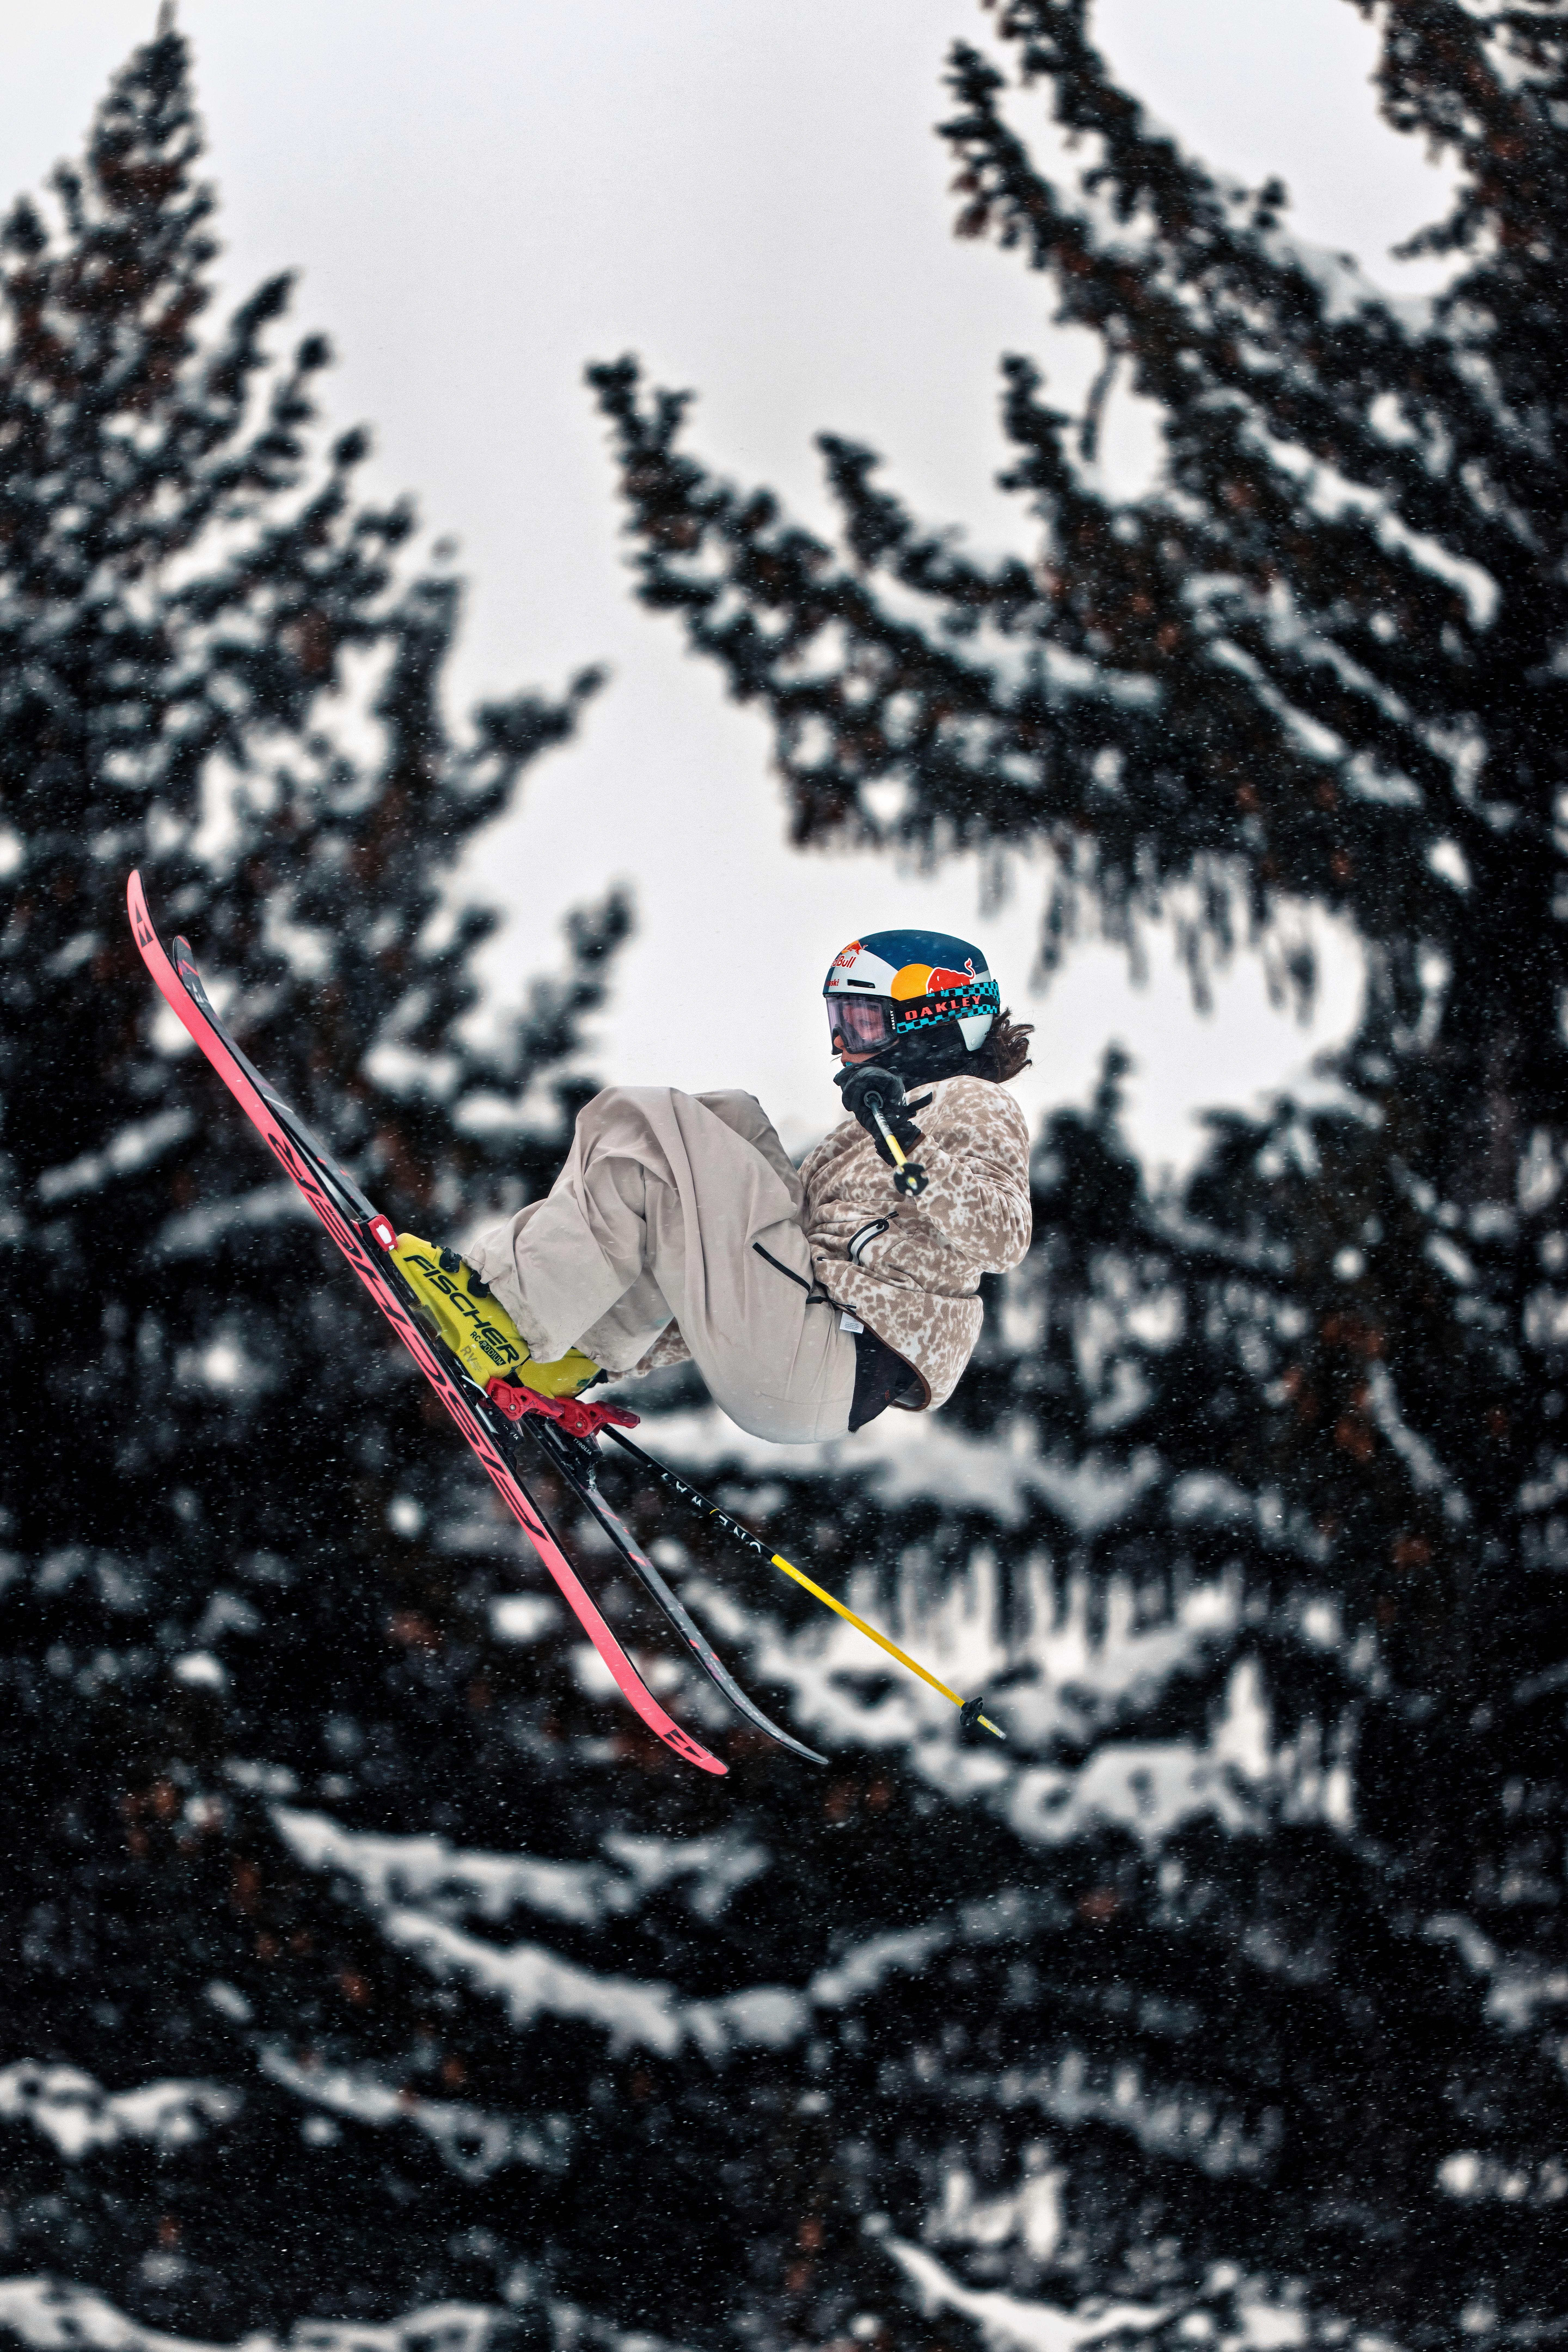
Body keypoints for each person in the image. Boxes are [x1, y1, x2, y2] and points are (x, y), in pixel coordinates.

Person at [393, 929, 1034, 1444]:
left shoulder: (971, 1103)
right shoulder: (861, 1137)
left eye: (866, 1024)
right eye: (841, 1025)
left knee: (652, 1126)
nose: (844, 1048)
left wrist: (902, 1138)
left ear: (935, 1021)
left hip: (842, 1351)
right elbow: (715, 1270)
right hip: (803, 1353)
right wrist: (612, 1369)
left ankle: (503, 1313)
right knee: (708, 1129)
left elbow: (1003, 1237)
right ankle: (567, 1352)